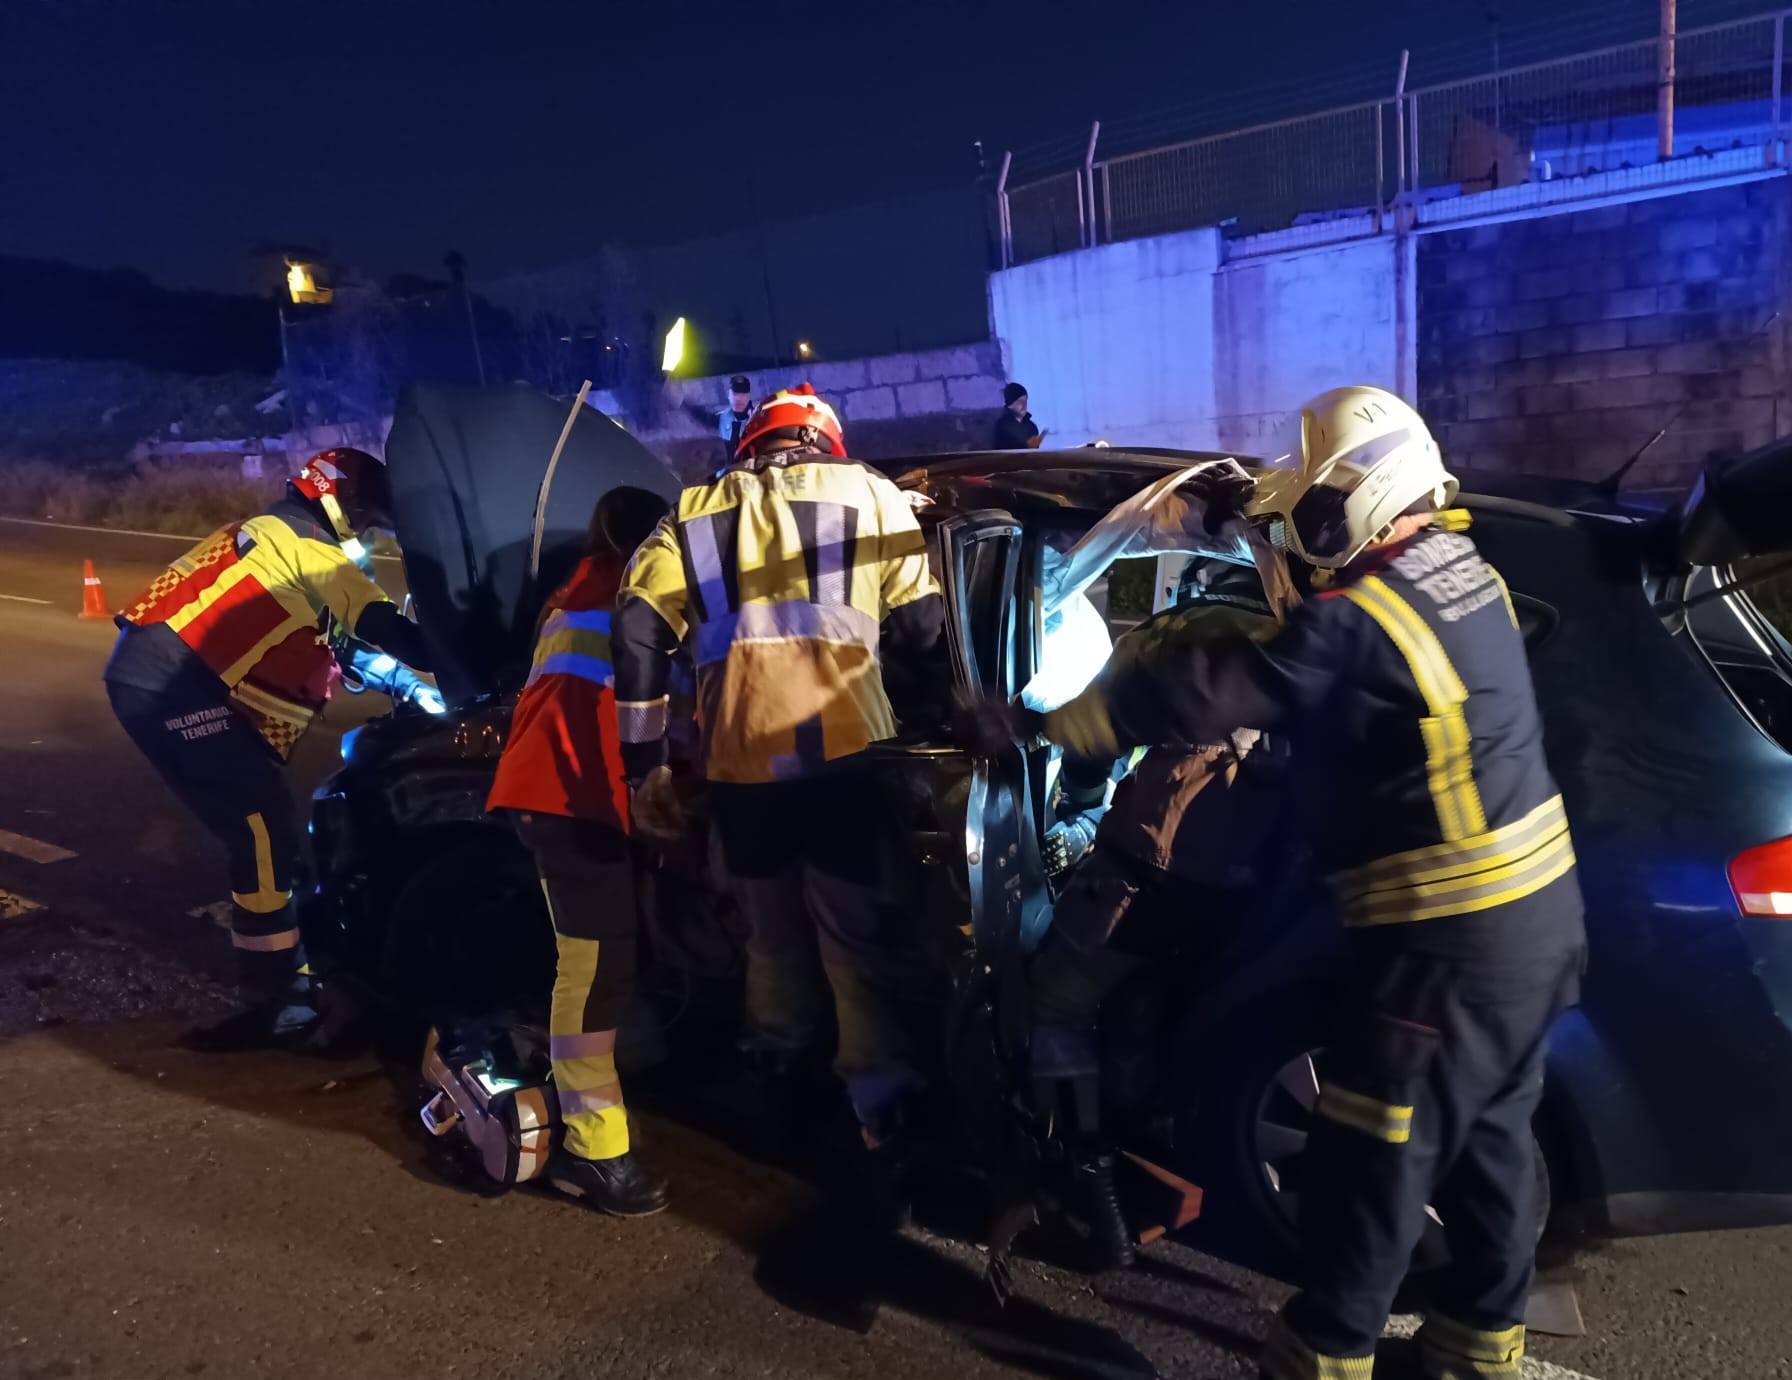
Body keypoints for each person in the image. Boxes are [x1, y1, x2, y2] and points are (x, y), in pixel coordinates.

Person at [1023, 387, 1586, 1380]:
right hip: (1536, 922)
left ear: (1351, 500)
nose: (1307, 539)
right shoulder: (1468, 572)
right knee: (1488, 1138)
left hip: (1442, 943)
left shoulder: (1362, 618)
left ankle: (1324, 1352)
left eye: (1313, 513)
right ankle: (1477, 1345)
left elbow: (1214, 689)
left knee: (1375, 1153)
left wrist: (1057, 726)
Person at [611, 383, 947, 1164]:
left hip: (741, 768)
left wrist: (645, 767)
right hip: (844, 761)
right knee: (851, 936)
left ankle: (779, 1070)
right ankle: (878, 1104)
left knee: (768, 934)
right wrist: (957, 708)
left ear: (752, 441)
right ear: (824, 439)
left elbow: (636, 627)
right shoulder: (870, 493)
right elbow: (925, 627)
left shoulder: (693, 510)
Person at [104, 447, 435, 1052]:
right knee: (261, 830)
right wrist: (454, 651)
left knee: (270, 830)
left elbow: (339, 638)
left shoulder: (279, 530)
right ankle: (277, 1002)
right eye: (369, 527)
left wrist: (408, 685)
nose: (368, 541)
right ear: (346, 508)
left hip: (162, 679)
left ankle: (298, 956)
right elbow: (381, 625)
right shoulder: (307, 546)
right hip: (169, 689)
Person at [1024, 559, 1292, 1270]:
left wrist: (1075, 806)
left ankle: (1085, 1175)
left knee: (1055, 1004)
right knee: (1150, 1010)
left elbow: (1097, 737)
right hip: (1239, 894)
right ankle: (1139, 1138)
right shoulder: (1312, 645)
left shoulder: (1183, 631)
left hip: (1145, 876)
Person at [486, 484, 672, 1217]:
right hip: (571, 799)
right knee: (594, 973)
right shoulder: (636, 594)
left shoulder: (580, 586)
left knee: (602, 966)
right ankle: (593, 1152)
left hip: (553, 790)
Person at [994, 382, 1045, 450]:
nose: (1024, 405)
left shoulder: (1031, 426)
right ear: (1010, 404)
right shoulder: (1002, 425)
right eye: (1020, 401)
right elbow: (1002, 450)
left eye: (1025, 401)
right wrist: (1026, 445)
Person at [718, 374, 754, 466]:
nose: (738, 399)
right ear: (729, 396)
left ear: (749, 396)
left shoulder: (757, 418)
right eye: (735, 394)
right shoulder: (722, 418)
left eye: (743, 395)